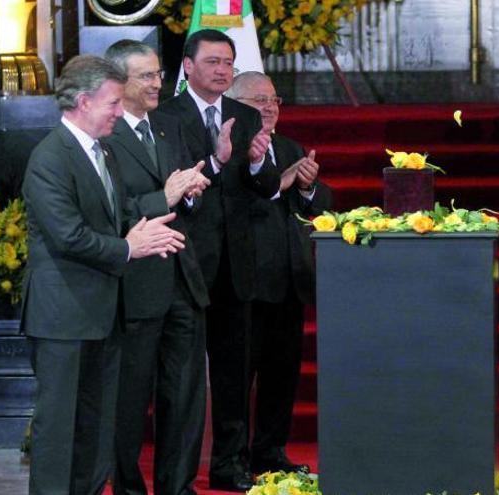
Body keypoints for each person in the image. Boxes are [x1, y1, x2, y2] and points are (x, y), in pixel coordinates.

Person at [23, 54, 186, 495]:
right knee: (60, 430)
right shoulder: (50, 157)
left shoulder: (102, 152)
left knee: (97, 429)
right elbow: (70, 236)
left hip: (104, 314)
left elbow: (117, 215)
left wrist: (155, 210)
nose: (120, 110)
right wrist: (131, 247)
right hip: (63, 319)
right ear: (82, 101)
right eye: (113, 103)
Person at [157, 29, 286, 492]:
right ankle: (180, 475)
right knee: (186, 380)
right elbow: (173, 191)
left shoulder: (245, 115)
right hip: (187, 264)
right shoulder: (166, 117)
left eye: (228, 63)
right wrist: (215, 160)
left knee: (235, 375)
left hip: (238, 264)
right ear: (187, 67)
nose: (221, 70)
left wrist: (254, 163)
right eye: (212, 61)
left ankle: (231, 466)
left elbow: (270, 187)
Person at [103, 40, 212, 495]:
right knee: (129, 402)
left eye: (158, 74)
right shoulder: (104, 136)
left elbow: (181, 190)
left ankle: (177, 487)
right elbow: (108, 210)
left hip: (182, 282)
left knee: (184, 397)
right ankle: (129, 488)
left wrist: (189, 190)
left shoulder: (169, 126)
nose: (157, 83)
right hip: (134, 288)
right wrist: (163, 197)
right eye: (146, 76)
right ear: (119, 82)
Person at [226, 71, 333, 474]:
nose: (270, 108)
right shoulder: (229, 151)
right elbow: (237, 206)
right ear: (235, 106)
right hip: (245, 283)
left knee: (281, 376)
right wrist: (277, 182)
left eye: (274, 100)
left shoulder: (289, 147)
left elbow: (319, 204)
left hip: (290, 283)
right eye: (259, 101)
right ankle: (232, 459)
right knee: (239, 378)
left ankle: (270, 453)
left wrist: (306, 187)